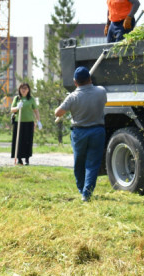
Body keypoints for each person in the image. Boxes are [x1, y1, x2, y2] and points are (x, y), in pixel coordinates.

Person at [54, 67, 108, 202]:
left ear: (75, 82)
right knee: (92, 163)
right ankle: (86, 193)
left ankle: (81, 189)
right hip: (97, 130)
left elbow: (58, 113)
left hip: (79, 133)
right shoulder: (101, 91)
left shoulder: (72, 97)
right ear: (90, 78)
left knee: (79, 162)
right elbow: (103, 102)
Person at [9, 83, 42, 166]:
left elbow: (36, 110)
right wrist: (17, 107)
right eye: (22, 88)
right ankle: (19, 159)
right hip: (18, 122)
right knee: (18, 141)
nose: (24, 90)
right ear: (19, 89)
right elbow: (12, 109)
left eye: (26, 88)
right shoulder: (17, 98)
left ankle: (27, 158)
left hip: (29, 122)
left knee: (27, 141)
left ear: (28, 90)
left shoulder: (31, 99)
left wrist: (38, 121)